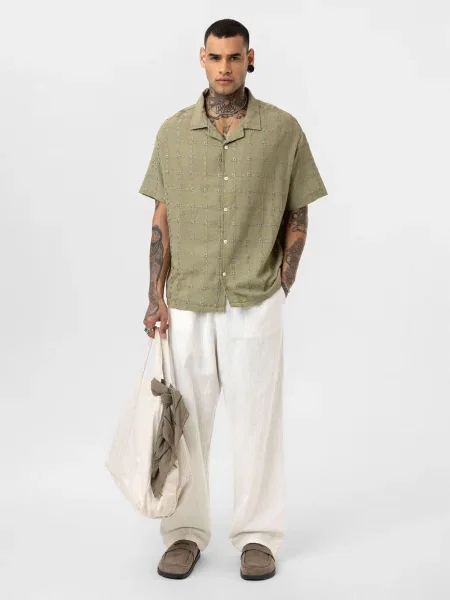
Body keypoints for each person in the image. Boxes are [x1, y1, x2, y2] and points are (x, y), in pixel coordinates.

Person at [138, 18, 328, 581]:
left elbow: (298, 212)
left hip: (254, 298)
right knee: (185, 424)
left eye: (235, 57)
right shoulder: (172, 133)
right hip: (187, 298)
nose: (225, 67)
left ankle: (258, 536)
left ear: (251, 59)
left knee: (257, 423)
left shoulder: (283, 131)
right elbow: (161, 220)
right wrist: (154, 297)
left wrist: (282, 283)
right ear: (202, 59)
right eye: (216, 57)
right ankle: (184, 533)